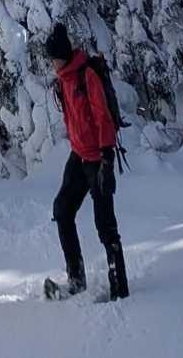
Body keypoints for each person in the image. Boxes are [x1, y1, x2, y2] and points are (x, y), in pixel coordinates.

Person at [45, 23, 129, 302]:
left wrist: (107, 158)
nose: (52, 64)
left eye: (53, 58)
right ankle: (76, 279)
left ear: (63, 56)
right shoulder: (64, 79)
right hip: (79, 155)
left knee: (106, 225)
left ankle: (120, 288)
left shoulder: (86, 75)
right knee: (62, 209)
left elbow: (103, 117)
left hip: (98, 158)